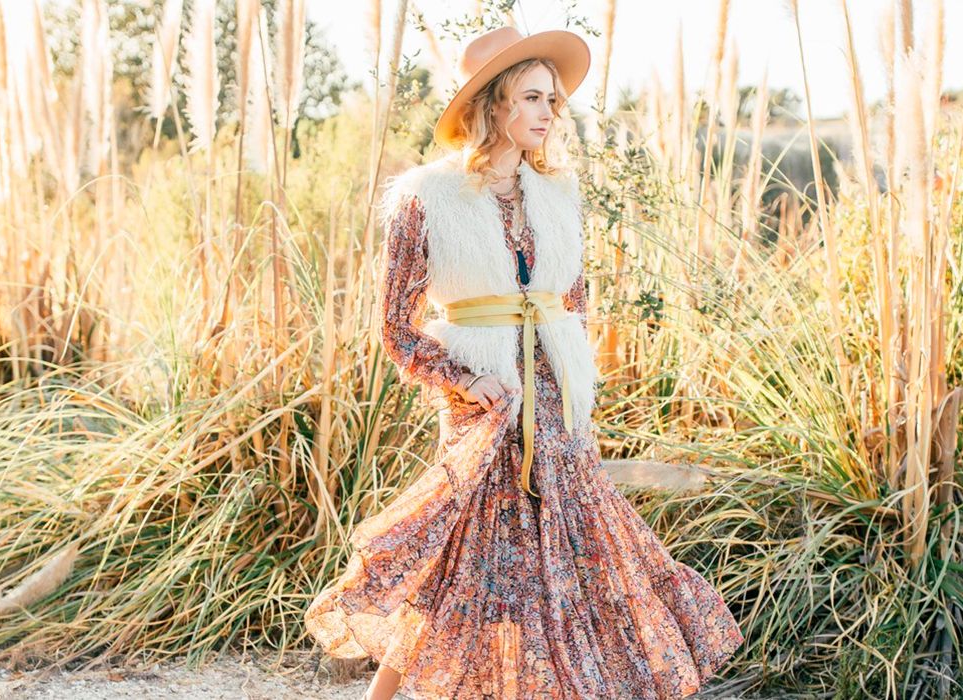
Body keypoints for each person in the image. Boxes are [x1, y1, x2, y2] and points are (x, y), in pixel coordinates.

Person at [304, 26, 744, 700]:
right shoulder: (427, 197)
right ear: (493, 104)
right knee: (468, 554)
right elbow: (395, 326)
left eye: (552, 99)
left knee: (570, 560)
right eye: (533, 97)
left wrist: (578, 395)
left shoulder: (558, 194)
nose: (549, 112)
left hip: (557, 401)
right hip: (485, 402)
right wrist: (463, 378)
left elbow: (575, 305)